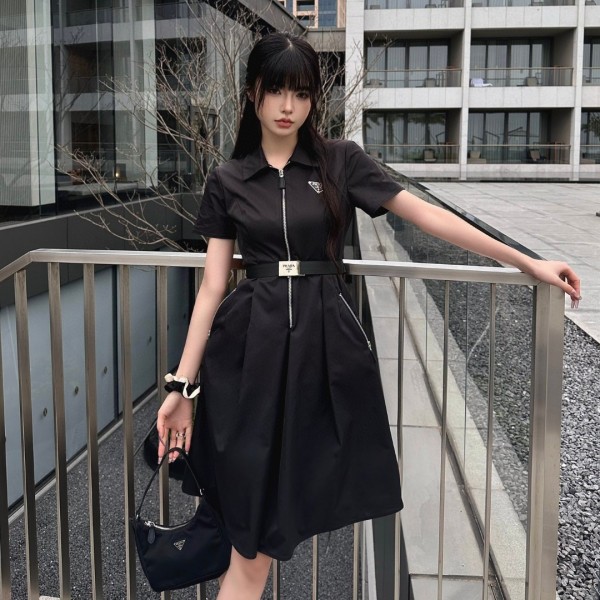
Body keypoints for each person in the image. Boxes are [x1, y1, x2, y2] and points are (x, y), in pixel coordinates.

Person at [157, 32, 581, 600]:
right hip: (247, 360)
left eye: (301, 93)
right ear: (252, 93)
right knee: (252, 537)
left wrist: (525, 261)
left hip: (320, 356)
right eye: (276, 90)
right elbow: (212, 286)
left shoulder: (339, 162)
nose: (288, 106)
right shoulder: (228, 179)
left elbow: (426, 216)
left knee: (266, 532)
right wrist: (182, 385)